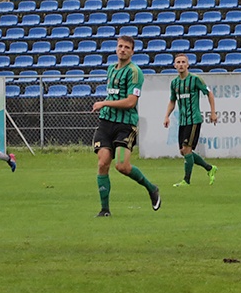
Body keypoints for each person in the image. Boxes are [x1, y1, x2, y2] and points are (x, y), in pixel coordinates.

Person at [92, 35, 161, 217]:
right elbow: (114, 95)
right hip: (106, 122)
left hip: (125, 124)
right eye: (120, 46)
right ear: (116, 48)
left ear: (132, 51)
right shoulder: (111, 69)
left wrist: (104, 103)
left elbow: (131, 102)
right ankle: (105, 210)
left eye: (126, 47)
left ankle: (151, 188)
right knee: (102, 163)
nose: (122, 49)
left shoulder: (134, 72)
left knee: (121, 166)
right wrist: (105, 105)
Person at [163, 54, 219, 187]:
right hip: (182, 121)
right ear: (174, 65)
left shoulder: (195, 79)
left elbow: (209, 93)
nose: (181, 64)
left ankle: (186, 181)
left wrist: (213, 112)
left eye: (183, 62)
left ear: (188, 65)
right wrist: (166, 116)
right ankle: (210, 168)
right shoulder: (174, 83)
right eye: (178, 62)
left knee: (186, 149)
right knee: (183, 151)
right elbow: (172, 100)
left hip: (194, 120)